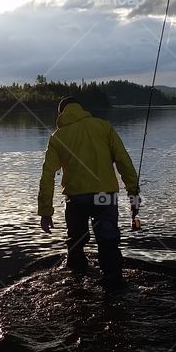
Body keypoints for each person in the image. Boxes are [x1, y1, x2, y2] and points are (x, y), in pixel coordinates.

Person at [37, 97, 140, 286]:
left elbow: (47, 176)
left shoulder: (58, 137)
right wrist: (133, 194)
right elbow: (123, 161)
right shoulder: (103, 127)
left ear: (61, 113)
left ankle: (77, 282)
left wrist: (45, 212)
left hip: (76, 199)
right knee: (107, 240)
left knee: (75, 241)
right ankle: (113, 282)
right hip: (103, 197)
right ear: (81, 108)